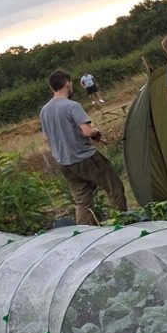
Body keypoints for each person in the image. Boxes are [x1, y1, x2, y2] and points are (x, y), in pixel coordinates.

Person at [41, 69, 128, 224]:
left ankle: (86, 233)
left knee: (82, 201)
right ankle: (122, 224)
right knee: (114, 189)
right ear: (67, 83)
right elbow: (87, 132)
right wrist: (96, 133)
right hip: (85, 157)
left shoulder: (44, 110)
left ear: (52, 87)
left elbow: (46, 137)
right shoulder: (72, 106)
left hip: (65, 162)